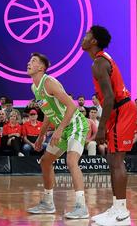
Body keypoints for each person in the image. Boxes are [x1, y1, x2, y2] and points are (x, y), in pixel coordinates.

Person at [82, 26, 137, 225]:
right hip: (118, 110)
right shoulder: (102, 59)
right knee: (112, 160)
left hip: (121, 110)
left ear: (94, 41)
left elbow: (110, 98)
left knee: (116, 161)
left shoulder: (99, 63)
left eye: (87, 35)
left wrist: (102, 127)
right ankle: (116, 207)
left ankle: (122, 212)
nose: (84, 38)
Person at [26, 53, 90, 219]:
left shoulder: (49, 82)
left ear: (41, 67)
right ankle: (47, 203)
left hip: (75, 124)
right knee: (46, 161)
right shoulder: (35, 87)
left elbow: (72, 106)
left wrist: (60, 129)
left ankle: (81, 207)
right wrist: (40, 136)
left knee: (71, 161)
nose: (28, 63)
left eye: (33, 61)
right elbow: (48, 112)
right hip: (61, 128)